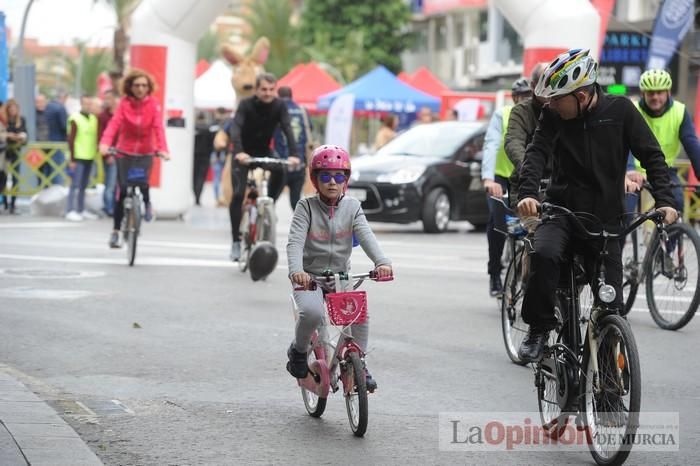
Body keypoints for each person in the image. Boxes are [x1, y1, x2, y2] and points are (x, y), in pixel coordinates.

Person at [516, 48, 678, 363]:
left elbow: (653, 157)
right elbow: (536, 153)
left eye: (556, 98)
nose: (549, 104)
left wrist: (666, 200)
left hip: (608, 220)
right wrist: (528, 193)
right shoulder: (553, 115)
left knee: (611, 307)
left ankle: (608, 382)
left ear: (581, 95)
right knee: (544, 254)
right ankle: (538, 328)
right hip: (561, 212)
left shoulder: (622, 112)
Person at [286, 145, 393, 391]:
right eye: (325, 176)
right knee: (311, 313)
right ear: (315, 179)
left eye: (339, 176)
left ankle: (360, 363)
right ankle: (299, 351)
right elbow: (294, 243)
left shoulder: (352, 207)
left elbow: (366, 236)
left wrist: (382, 262)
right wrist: (296, 271)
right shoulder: (306, 207)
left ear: (346, 179)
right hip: (309, 277)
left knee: (359, 313)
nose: (332, 182)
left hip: (340, 276)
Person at [227, 73, 300, 262]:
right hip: (243, 153)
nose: (268, 93)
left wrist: (294, 154)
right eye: (263, 89)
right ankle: (236, 241)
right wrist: (239, 152)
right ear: (256, 90)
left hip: (264, 151)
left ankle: (269, 204)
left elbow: (287, 129)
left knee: (281, 170)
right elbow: (235, 128)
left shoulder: (279, 105)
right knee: (238, 194)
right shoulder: (245, 105)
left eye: (271, 89)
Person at [99, 69, 170, 249]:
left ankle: (147, 205)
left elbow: (158, 128)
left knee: (143, 183)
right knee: (122, 191)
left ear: (149, 88)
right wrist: (105, 144)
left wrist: (163, 149)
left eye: (144, 85)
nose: (140, 89)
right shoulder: (124, 104)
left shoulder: (153, 104)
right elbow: (114, 124)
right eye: (137, 85)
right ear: (130, 87)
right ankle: (115, 231)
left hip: (146, 150)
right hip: (125, 151)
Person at [480, 77, 533, 296]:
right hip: (500, 177)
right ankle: (495, 273)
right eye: (521, 97)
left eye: (529, 96)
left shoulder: (538, 116)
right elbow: (491, 145)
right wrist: (488, 179)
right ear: (514, 98)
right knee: (498, 224)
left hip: (525, 176)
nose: (525, 100)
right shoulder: (502, 115)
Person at [626, 69, 700, 214]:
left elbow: (691, 143)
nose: (655, 97)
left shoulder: (679, 111)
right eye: (650, 93)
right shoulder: (632, 110)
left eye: (660, 92)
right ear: (643, 93)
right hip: (635, 172)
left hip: (664, 171)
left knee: (677, 204)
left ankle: (671, 236)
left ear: (668, 92)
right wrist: (629, 169)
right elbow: (624, 143)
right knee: (626, 210)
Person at [504, 63, 547, 207]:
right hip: (528, 182)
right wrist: (529, 171)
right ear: (533, 86)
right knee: (527, 224)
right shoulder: (521, 111)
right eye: (545, 84)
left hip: (563, 186)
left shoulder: (564, 107)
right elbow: (513, 142)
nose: (551, 90)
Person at [274, 86, 314, 210]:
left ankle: (267, 221)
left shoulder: (275, 110)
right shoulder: (302, 111)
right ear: (291, 95)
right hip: (299, 162)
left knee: (271, 198)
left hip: (280, 162)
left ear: (278, 96)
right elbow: (310, 129)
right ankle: (300, 227)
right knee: (295, 200)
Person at [65, 96, 100, 221]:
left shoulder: (93, 119)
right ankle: (70, 210)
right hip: (78, 157)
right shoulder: (75, 118)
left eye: (91, 104)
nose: (89, 106)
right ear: (81, 104)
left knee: (84, 185)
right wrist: (72, 159)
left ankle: (80, 209)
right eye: (86, 103)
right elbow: (71, 140)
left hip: (90, 156)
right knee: (75, 184)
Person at [1, 99, 27, 214]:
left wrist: (21, 136)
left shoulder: (21, 120)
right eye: (10, 108)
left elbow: (26, 134)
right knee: (3, 178)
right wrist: (8, 136)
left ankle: (13, 204)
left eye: (14, 108)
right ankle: (5, 202)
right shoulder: (4, 120)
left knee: (16, 178)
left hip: (16, 151)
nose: (12, 111)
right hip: (5, 153)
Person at [98, 89, 120, 216]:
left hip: (119, 153)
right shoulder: (103, 116)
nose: (107, 101)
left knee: (115, 183)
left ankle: (113, 206)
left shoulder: (120, 115)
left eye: (109, 98)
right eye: (105, 99)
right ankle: (109, 208)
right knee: (110, 183)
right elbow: (101, 135)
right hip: (108, 154)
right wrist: (107, 154)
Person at [44, 90, 69, 186]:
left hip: (46, 142)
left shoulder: (48, 106)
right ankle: (58, 187)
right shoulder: (61, 108)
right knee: (58, 167)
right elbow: (64, 126)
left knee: (48, 167)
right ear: (63, 97)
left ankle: (47, 187)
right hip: (59, 142)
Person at [193, 111, 214, 205]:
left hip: (194, 157)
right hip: (205, 157)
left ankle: (195, 194)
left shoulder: (193, 129)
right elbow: (212, 145)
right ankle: (198, 196)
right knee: (201, 177)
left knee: (194, 177)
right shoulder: (208, 130)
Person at [211, 107, 229, 206]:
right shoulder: (227, 124)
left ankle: (219, 198)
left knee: (218, 177)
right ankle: (221, 198)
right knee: (221, 177)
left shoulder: (213, 125)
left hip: (218, 154)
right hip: (223, 154)